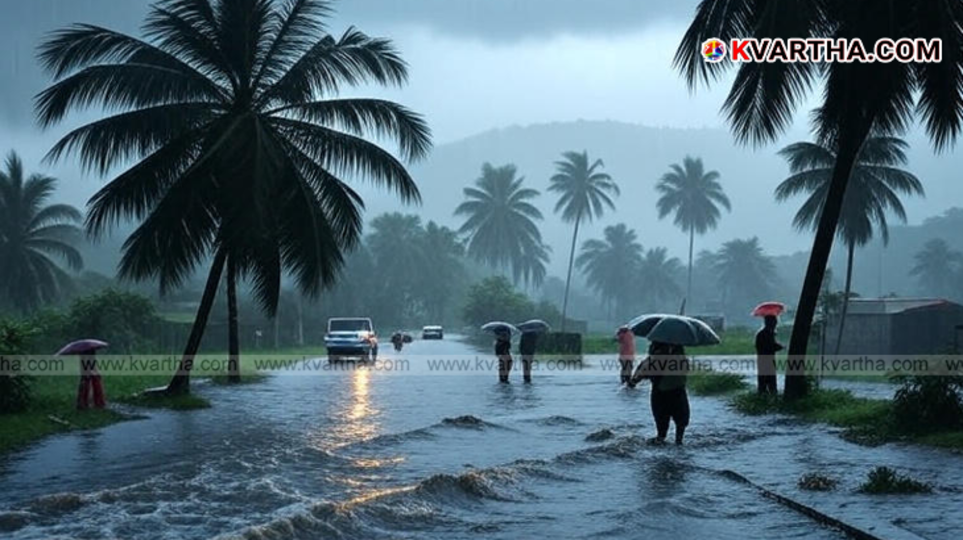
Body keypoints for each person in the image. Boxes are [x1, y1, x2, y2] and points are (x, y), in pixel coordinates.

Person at [630, 342, 690, 445]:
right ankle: (678, 442)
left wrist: (634, 381)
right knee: (680, 422)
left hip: (661, 393)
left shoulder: (653, 358)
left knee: (662, 423)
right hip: (677, 392)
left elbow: (641, 374)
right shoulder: (680, 357)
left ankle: (662, 439)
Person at [755, 315, 783, 395]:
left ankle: (762, 399)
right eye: (774, 322)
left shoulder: (761, 334)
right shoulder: (767, 334)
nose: (775, 324)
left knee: (762, 385)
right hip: (768, 362)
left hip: (762, 362)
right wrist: (779, 347)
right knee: (771, 385)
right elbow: (770, 347)